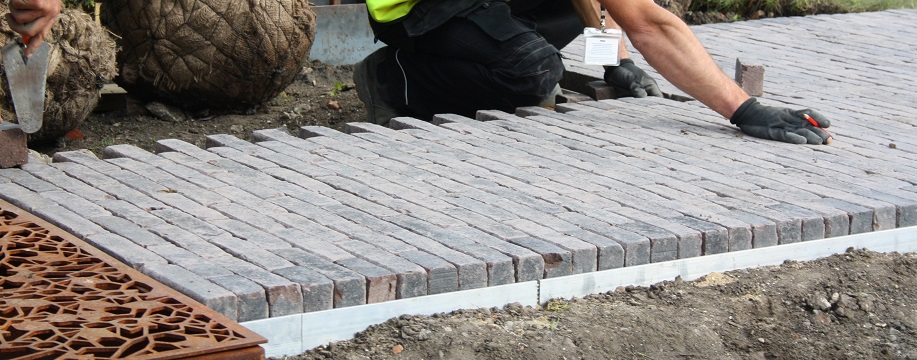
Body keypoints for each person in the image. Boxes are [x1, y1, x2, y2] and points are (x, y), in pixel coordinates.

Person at [355, 0, 832, 145]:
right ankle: (393, 76)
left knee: (552, 27)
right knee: (535, 70)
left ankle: (483, 49)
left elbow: (625, 11)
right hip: (414, 8)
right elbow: (651, 26)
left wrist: (615, 59)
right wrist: (743, 107)